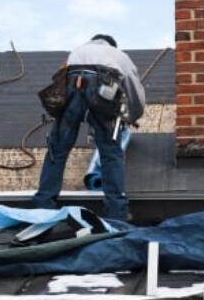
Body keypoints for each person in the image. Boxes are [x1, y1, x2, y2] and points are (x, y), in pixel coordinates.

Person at [33, 34, 145, 221]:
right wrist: (132, 116)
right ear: (112, 45)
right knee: (110, 152)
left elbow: (61, 82)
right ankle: (116, 212)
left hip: (72, 81)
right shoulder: (118, 55)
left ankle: (43, 205)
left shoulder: (76, 52)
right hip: (103, 86)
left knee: (58, 148)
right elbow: (135, 92)